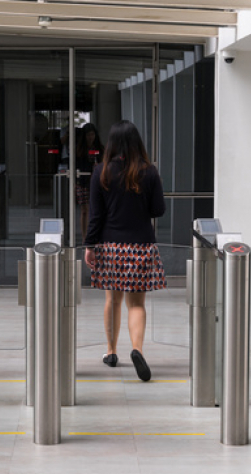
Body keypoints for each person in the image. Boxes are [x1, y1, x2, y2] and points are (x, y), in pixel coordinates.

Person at [83, 120, 166, 382]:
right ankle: (137, 349)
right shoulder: (149, 172)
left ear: (112, 144)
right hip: (140, 245)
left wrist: (89, 245)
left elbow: (95, 215)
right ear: (136, 142)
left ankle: (110, 352)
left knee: (113, 300)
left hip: (111, 246)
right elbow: (158, 210)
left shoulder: (101, 172)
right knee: (137, 304)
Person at [76, 123, 104, 242]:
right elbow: (76, 166)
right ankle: (84, 236)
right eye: (88, 135)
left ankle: (95, 234)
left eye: (92, 134)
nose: (90, 137)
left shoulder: (100, 149)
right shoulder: (80, 150)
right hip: (83, 181)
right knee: (84, 210)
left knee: (96, 209)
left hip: (96, 182)